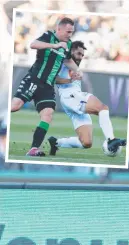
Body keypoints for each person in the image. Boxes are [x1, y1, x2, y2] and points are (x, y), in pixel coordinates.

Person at [10, 17, 80, 157]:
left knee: (47, 114)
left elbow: (68, 61)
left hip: (48, 86)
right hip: (34, 80)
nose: (69, 35)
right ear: (59, 29)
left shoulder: (68, 44)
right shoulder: (49, 36)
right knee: (15, 106)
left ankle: (34, 148)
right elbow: (33, 44)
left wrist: (75, 73)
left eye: (71, 32)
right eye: (67, 32)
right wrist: (55, 46)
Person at [47, 41, 126, 155]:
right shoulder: (63, 61)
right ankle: (111, 140)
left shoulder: (74, 66)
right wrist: (69, 80)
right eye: (79, 54)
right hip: (71, 96)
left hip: (71, 100)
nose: (81, 57)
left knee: (86, 143)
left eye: (82, 55)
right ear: (71, 51)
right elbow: (53, 78)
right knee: (102, 108)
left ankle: (56, 143)